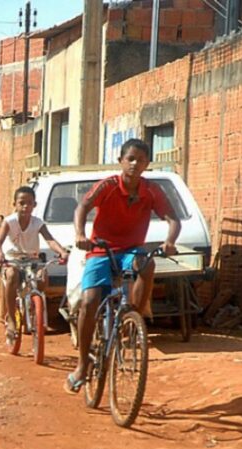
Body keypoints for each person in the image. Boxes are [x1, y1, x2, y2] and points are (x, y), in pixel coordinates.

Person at [64, 138, 181, 394]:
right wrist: (80, 234)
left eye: (140, 160)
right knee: (90, 301)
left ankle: (133, 316)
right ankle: (83, 364)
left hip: (131, 251)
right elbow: (82, 206)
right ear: (121, 161)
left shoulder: (151, 191)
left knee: (147, 264)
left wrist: (170, 241)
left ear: (147, 164)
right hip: (101, 249)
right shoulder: (107, 186)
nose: (135, 164)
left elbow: (173, 219)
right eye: (130, 158)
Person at [0, 185, 69, 342]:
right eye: (22, 203)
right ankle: (12, 319)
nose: (25, 206)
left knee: (42, 276)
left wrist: (61, 251)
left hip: (31, 260)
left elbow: (50, 239)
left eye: (29, 203)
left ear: (35, 205)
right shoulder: (9, 221)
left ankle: (35, 310)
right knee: (12, 275)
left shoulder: (37, 223)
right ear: (15, 204)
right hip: (12, 260)